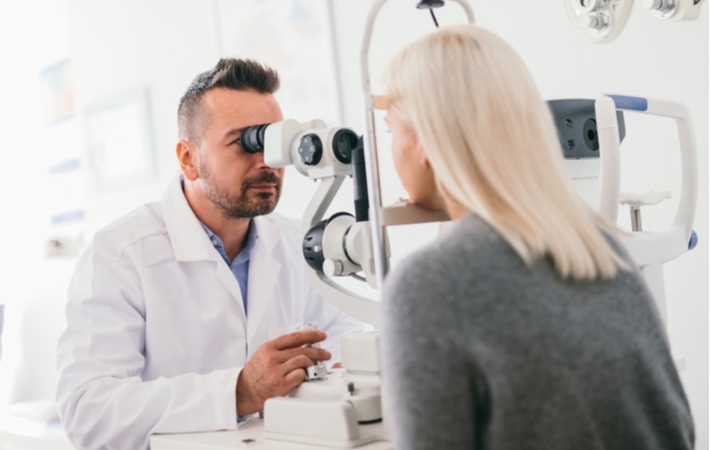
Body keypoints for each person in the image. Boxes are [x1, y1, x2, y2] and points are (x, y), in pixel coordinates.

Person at [379, 25, 694, 449]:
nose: (390, 148)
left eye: (391, 129)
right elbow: (677, 430)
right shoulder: (601, 248)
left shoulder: (429, 284)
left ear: (425, 141)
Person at [56, 58, 361, 450]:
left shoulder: (293, 241)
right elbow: (88, 410)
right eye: (244, 142)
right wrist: (237, 392)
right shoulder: (119, 255)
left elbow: (342, 333)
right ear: (188, 159)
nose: (267, 161)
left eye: (274, 142)